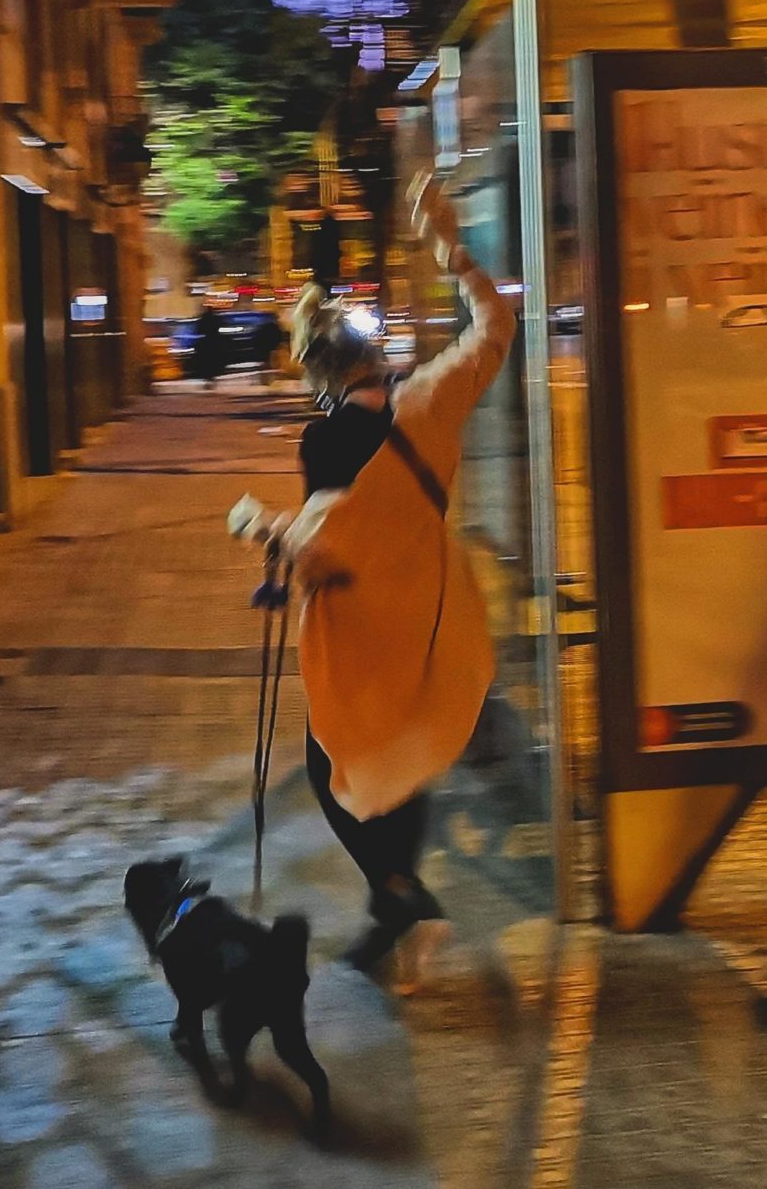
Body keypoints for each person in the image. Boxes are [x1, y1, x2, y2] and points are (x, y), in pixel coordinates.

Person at [228, 188, 516, 989]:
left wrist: (256, 523)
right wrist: (450, 249)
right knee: (411, 755)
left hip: (357, 634)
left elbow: (321, 547)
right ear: (375, 358)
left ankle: (399, 896)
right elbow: (496, 329)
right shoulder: (428, 398)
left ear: (321, 377)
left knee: (337, 769)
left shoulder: (326, 439)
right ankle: (398, 918)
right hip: (431, 614)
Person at [187, 301, 228, 388]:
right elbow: (221, 326)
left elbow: (198, 330)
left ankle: (208, 378)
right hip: (214, 342)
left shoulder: (203, 318)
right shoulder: (216, 318)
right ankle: (211, 378)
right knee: (214, 360)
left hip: (206, 342)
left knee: (205, 361)